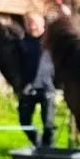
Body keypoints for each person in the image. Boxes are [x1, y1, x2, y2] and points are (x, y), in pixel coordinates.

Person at [18, 11, 56, 147]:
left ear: (42, 24)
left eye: (34, 23)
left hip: (47, 88)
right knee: (24, 121)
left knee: (48, 124)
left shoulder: (50, 40)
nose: (32, 26)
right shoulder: (22, 42)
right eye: (29, 23)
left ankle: (49, 152)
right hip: (28, 88)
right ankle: (37, 143)